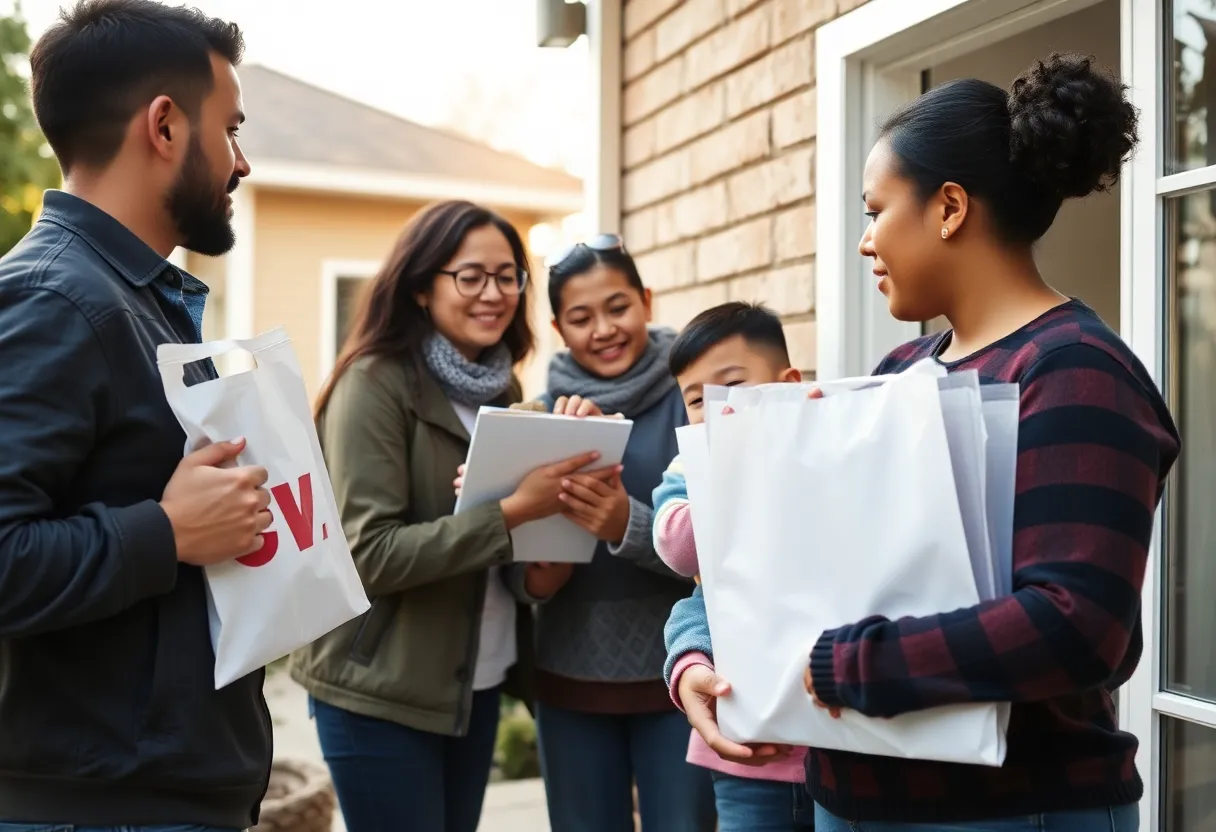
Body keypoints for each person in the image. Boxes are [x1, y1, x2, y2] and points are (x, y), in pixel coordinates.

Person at [680, 53, 1181, 832]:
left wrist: (844, 666)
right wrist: (709, 657)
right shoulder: (903, 369)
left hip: (1015, 811)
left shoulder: (1076, 371)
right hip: (854, 799)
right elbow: (824, 575)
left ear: (949, 207)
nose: (864, 242)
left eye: (875, 210)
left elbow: (1079, 627)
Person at [0, 1, 270, 829]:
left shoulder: (131, 301)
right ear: (164, 126)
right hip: (100, 807)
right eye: (229, 129)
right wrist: (167, 532)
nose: (242, 162)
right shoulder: (58, 301)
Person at [290, 200, 598, 832]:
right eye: (471, 276)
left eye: (509, 275)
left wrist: (564, 496)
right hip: (377, 691)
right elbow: (366, 555)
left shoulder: (503, 391)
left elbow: (500, 548)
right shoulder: (373, 384)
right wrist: (513, 511)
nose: (494, 293)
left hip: (472, 683)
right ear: (423, 286)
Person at [527, 234, 716, 832]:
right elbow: (523, 579)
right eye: (581, 318)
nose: (603, 329)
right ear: (559, 328)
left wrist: (624, 524)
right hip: (569, 679)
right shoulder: (537, 418)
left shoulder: (694, 402)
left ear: (647, 300)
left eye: (618, 307)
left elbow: (725, 550)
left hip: (682, 675)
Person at [654, 302, 814, 832]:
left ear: (787, 383)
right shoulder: (688, 466)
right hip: (740, 746)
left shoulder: (822, 447)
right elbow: (679, 550)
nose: (717, 409)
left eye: (734, 387)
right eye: (698, 400)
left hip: (837, 747)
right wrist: (737, 470)